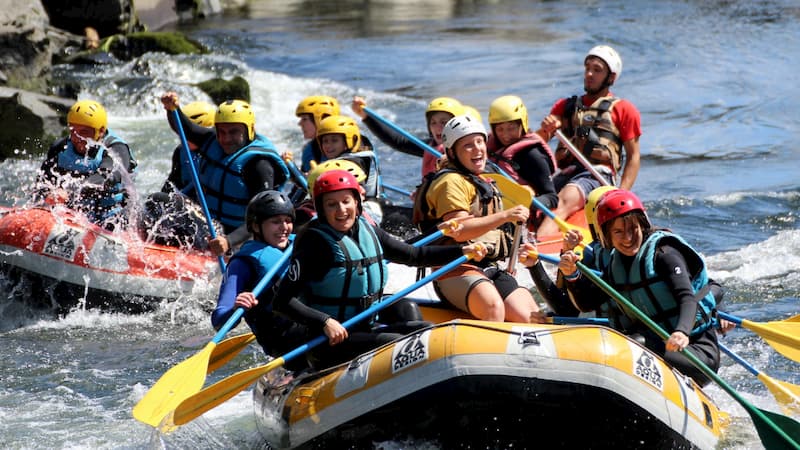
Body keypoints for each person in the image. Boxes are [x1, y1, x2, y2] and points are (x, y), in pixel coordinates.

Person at [272, 169, 486, 369]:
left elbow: (414, 255)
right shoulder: (314, 243)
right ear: (321, 208)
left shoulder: (368, 229)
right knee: (398, 344)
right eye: (331, 204)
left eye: (346, 201)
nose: (341, 210)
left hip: (366, 326)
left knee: (425, 331)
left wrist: (461, 251)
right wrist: (325, 322)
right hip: (329, 340)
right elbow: (282, 302)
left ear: (356, 202)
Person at [558, 189, 720, 386]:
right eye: (618, 232)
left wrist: (682, 332)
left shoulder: (665, 254)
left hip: (695, 352)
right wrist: (571, 275)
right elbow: (587, 303)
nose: (628, 238)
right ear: (607, 235)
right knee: (625, 341)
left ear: (642, 225)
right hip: (654, 344)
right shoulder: (616, 265)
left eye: (632, 228)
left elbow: (687, 298)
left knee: (632, 343)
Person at [413, 114, 543, 323]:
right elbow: (460, 231)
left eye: (480, 142)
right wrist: (505, 215)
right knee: (493, 307)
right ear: (452, 152)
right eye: (468, 145)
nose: (477, 149)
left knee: (532, 318)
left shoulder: (482, 180)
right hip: (454, 269)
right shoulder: (450, 182)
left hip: (490, 266)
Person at [160, 92, 292, 256]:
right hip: (207, 223)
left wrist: (228, 241)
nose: (226, 138)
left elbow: (261, 217)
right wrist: (172, 108)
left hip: (235, 237)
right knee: (159, 201)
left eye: (234, 132)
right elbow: (186, 129)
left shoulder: (259, 165)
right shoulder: (212, 140)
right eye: (221, 131)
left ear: (249, 130)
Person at [536, 45, 642, 237]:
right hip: (566, 173)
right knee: (535, 200)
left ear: (611, 78)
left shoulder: (624, 109)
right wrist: (547, 128)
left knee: (563, 201)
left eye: (597, 70)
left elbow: (633, 157)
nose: (589, 74)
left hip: (597, 175)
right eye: (587, 68)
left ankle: (536, 250)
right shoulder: (565, 106)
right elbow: (538, 142)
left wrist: (620, 193)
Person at [211, 190, 309, 370]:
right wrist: (236, 307)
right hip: (288, 343)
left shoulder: (302, 243)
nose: (284, 227)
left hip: (317, 323)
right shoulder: (242, 264)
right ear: (256, 226)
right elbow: (218, 320)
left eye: (287, 221)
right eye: (275, 222)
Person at [35, 99, 137, 231]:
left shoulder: (116, 149)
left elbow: (107, 178)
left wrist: (70, 191)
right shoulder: (60, 148)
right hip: (76, 215)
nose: (76, 138)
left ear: (100, 131)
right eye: (73, 130)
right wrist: (45, 196)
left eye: (83, 132)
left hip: (113, 219)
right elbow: (42, 183)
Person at [486, 95, 558, 228]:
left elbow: (552, 198)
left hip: (519, 218)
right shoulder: (488, 148)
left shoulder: (532, 155)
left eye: (511, 128)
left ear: (522, 124)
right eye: (500, 129)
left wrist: (526, 201)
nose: (505, 135)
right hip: (495, 210)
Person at [351, 96, 463, 178]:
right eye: (433, 122)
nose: (437, 127)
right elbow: (398, 142)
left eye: (443, 122)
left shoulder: (465, 149)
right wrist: (366, 117)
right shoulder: (430, 147)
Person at [293, 95, 340, 173]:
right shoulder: (308, 149)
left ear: (322, 118)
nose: (300, 123)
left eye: (304, 119)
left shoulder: (347, 145)